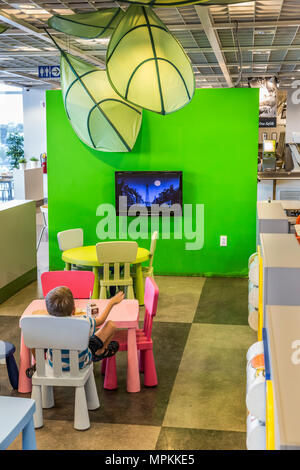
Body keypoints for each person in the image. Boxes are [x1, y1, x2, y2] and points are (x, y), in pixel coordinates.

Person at [25, 286, 123, 378]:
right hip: (81, 362)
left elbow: (32, 340)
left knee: (35, 336)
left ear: (48, 311)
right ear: (74, 310)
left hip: (54, 363)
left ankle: (38, 363)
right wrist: (111, 303)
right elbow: (101, 320)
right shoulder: (84, 321)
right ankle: (101, 351)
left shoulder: (43, 324)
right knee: (111, 325)